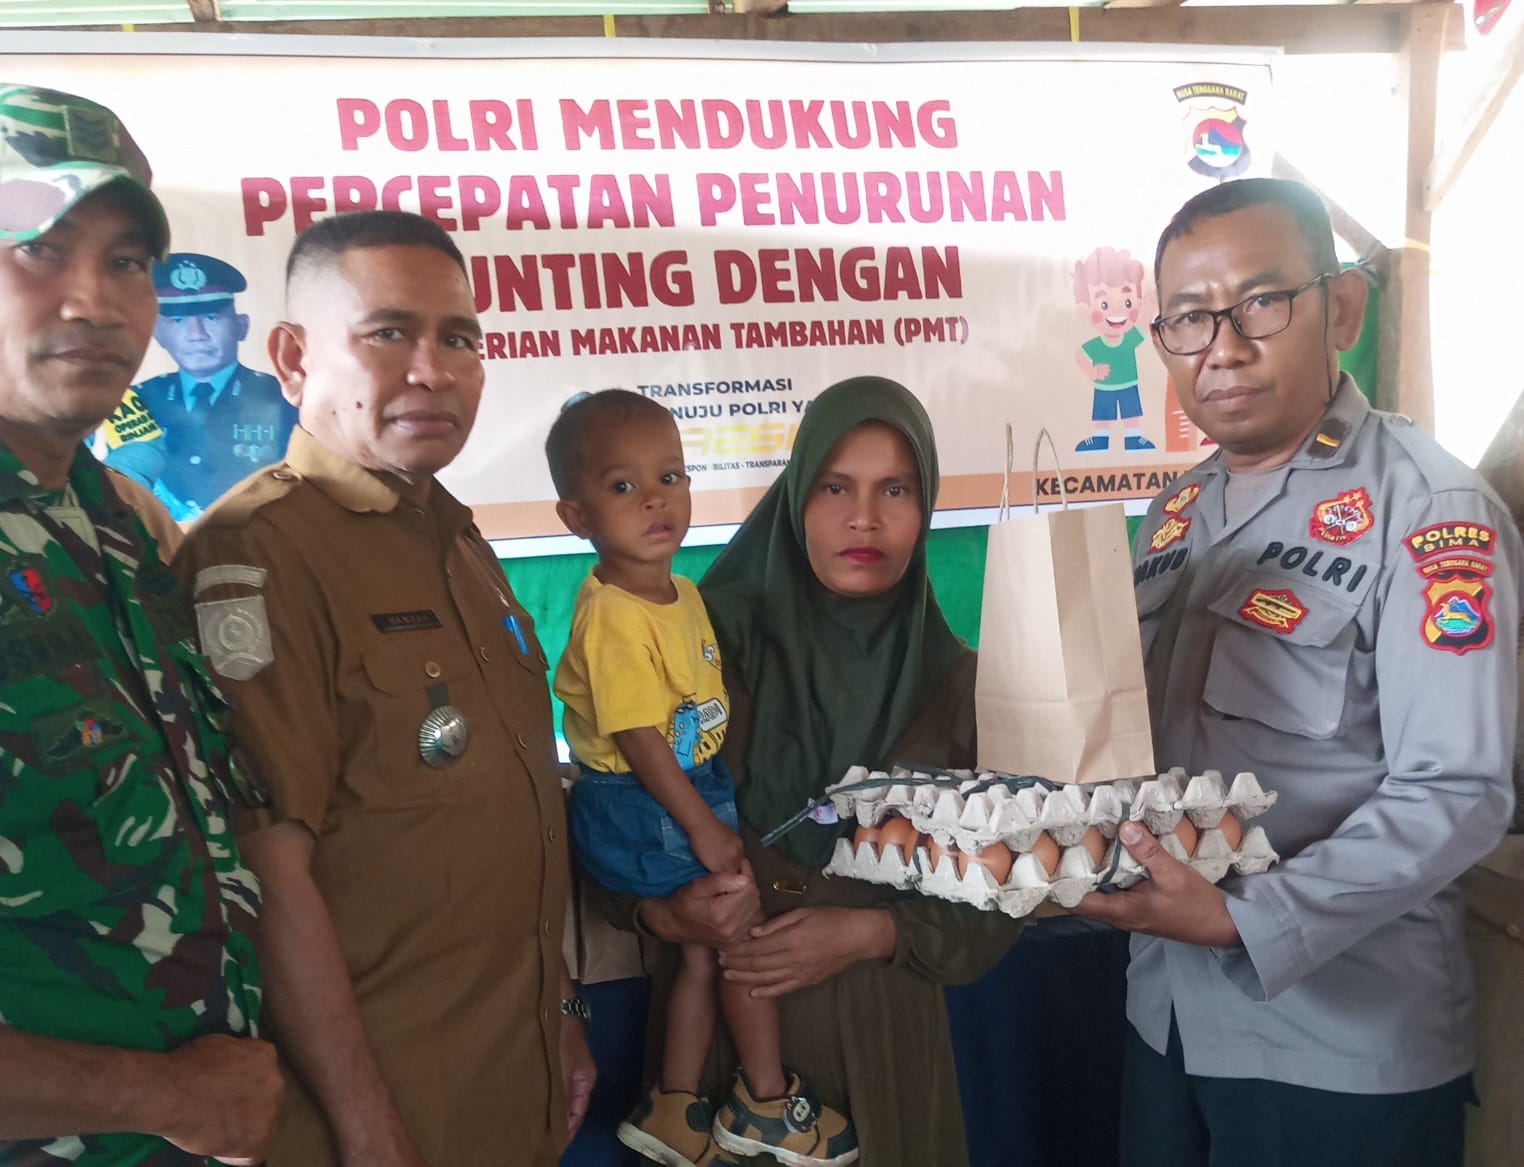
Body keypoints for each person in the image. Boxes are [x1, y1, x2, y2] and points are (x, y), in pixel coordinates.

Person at [1074, 177, 1520, 1167]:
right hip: (1166, 1015)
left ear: (1343, 308)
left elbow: (1458, 790)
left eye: (1262, 302)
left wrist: (1247, 918)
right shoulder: (1173, 515)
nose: (1224, 347)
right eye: (1190, 318)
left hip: (1338, 1046)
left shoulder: (1429, 508)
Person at [173, 210, 594, 1167]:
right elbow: (268, 875)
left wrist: (563, 1009)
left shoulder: (458, 540)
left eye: (460, 339)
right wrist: (370, 1131)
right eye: (389, 333)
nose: (432, 370)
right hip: (375, 1121)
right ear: (292, 359)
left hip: (509, 1086)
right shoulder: (260, 555)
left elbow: (506, 818)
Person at [616, 375, 1024, 1167]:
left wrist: (872, 931)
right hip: (717, 1063)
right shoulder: (700, 650)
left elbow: (1002, 893)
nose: (863, 517)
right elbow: (610, 815)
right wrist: (666, 914)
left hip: (883, 1036)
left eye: (895, 489)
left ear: (926, 507)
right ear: (797, 497)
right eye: (835, 486)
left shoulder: (960, 685)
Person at [0, 82, 283, 1164]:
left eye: (126, 261)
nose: (95, 300)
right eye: (38, 247)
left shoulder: (114, 523)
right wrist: (156, 1093)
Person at [548, 390, 858, 1167]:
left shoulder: (682, 592)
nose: (656, 499)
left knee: (700, 952)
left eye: (671, 476)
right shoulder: (613, 613)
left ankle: (675, 1105)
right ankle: (765, 1100)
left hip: (681, 785)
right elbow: (638, 738)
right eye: (623, 486)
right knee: (741, 938)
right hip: (646, 800)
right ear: (576, 517)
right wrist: (703, 827)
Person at [102, 252, 297, 520]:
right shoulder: (136, 401)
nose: (197, 335)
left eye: (211, 317)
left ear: (241, 326)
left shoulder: (283, 399)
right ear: (158, 333)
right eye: (178, 321)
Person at [1072, 245, 1157, 453]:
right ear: (1085, 309)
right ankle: (1100, 440)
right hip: (1104, 387)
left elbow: (1142, 327)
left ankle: (1133, 439)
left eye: (1127, 302)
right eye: (1104, 305)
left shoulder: (1128, 340)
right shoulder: (1096, 345)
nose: (1118, 311)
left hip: (1129, 385)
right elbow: (1080, 356)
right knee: (1103, 414)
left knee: (1131, 413)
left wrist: (1150, 308)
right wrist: (1092, 372)